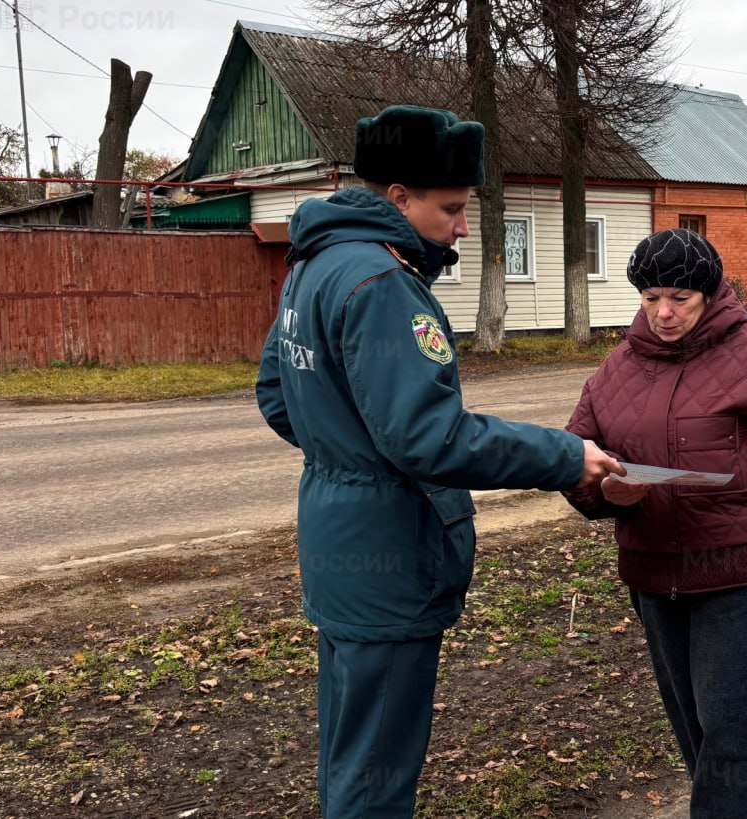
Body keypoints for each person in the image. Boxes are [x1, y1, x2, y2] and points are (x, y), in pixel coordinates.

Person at [255, 105, 624, 819]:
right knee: (377, 781)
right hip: (391, 559)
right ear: (398, 197)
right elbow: (431, 438)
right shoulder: (379, 282)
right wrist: (565, 454)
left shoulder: (313, 262)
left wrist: (348, 449)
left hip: (338, 552)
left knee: (350, 758)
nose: (462, 226)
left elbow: (278, 396)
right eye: (452, 208)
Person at [563, 228, 747, 819]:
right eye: (651, 299)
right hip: (655, 581)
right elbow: (575, 456)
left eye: (680, 299)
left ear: (710, 293)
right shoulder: (618, 367)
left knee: (735, 738)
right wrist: (606, 492)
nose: (664, 313)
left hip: (740, 582)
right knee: (698, 737)